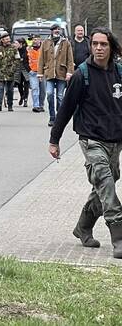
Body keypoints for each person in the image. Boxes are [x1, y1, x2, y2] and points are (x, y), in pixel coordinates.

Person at [49, 28, 122, 259]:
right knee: (106, 184)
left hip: (114, 141)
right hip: (91, 140)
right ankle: (119, 238)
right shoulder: (82, 74)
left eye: (104, 44)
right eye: (95, 44)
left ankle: (83, 227)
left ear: (111, 48)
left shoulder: (119, 73)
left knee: (104, 185)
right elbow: (66, 109)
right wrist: (54, 140)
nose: (99, 48)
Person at [39, 24, 75, 127]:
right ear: (51, 31)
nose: (56, 31)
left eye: (58, 29)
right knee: (50, 94)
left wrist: (69, 72)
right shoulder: (45, 43)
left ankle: (59, 118)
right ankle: (52, 117)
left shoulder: (65, 43)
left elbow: (70, 59)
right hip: (49, 72)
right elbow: (41, 59)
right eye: (54, 29)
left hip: (62, 73)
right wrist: (40, 73)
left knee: (60, 96)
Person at [0, 33, 17, 112]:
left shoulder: (14, 48)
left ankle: (10, 105)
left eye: (9, 39)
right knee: (0, 88)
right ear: (2, 40)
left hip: (10, 72)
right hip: (0, 72)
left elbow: (17, 60)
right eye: (6, 39)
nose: (8, 40)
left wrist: (13, 69)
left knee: (10, 90)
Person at [28, 36, 44, 112]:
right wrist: (29, 69)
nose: (35, 41)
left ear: (40, 40)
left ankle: (41, 105)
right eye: (34, 39)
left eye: (37, 39)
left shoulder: (43, 49)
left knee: (42, 90)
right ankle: (36, 105)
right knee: (35, 88)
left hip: (43, 72)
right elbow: (25, 60)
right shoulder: (29, 49)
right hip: (33, 72)